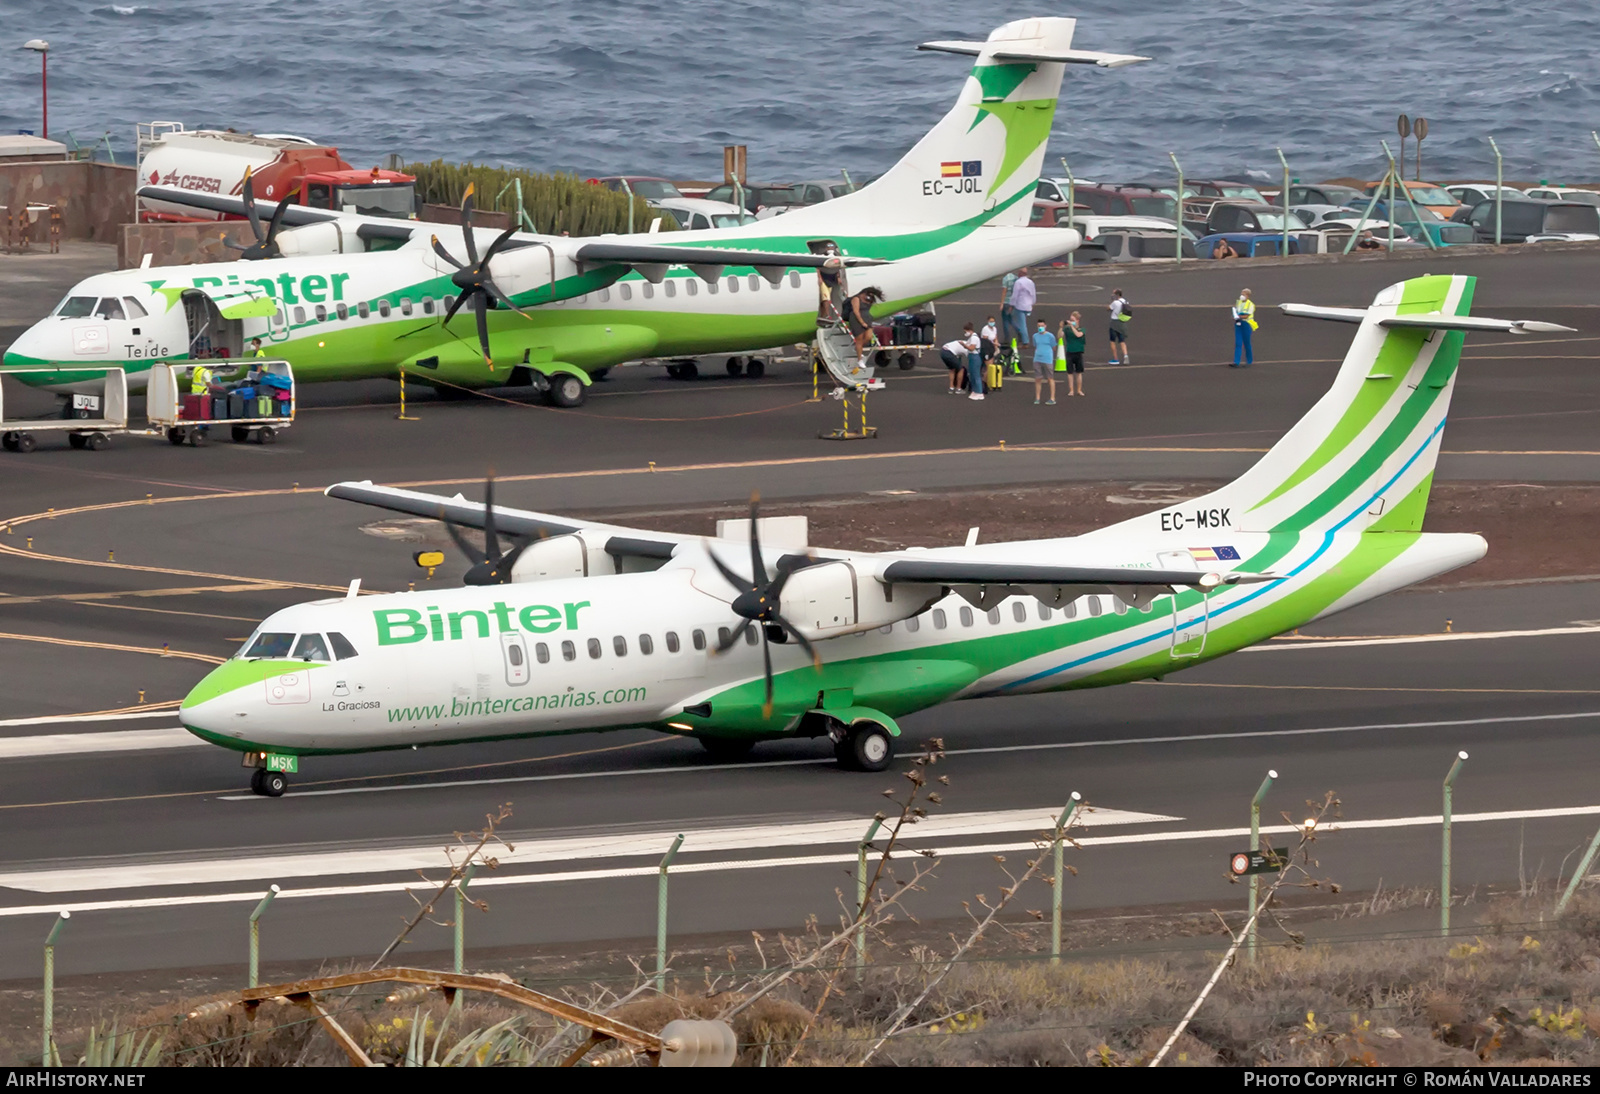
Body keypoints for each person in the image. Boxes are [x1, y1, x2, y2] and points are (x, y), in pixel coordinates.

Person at [1006, 267, 1037, 371]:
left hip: (1020, 305)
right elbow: (1033, 294)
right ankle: (1023, 338)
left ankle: (1025, 341)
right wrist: (1032, 303)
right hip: (1028, 305)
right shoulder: (1030, 282)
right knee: (1023, 323)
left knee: (1020, 323)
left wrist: (1011, 305)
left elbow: (1015, 295)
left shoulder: (1018, 282)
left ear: (1020, 273)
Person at [844, 286, 885, 361]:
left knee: (868, 337)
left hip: (867, 319)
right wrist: (862, 322)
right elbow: (856, 311)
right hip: (857, 319)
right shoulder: (856, 298)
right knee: (859, 339)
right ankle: (859, 359)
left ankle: (858, 349)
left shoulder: (869, 300)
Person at [1029, 319, 1057, 405]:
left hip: (1047, 359)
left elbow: (1054, 347)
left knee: (1050, 378)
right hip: (1037, 359)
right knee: (1038, 378)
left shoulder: (1050, 336)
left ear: (1045, 326)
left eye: (1042, 326)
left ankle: (1052, 398)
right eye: (1039, 326)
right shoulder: (1035, 336)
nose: (1040, 328)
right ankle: (1037, 398)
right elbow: (1035, 345)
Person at [1061, 312, 1086, 396]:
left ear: (1077, 320)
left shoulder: (1082, 329)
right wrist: (1061, 327)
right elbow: (1060, 336)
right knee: (1070, 372)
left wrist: (1071, 326)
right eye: (1070, 320)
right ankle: (1071, 390)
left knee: (1079, 372)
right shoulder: (1066, 329)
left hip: (1078, 352)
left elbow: (1078, 335)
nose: (1071, 321)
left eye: (1073, 320)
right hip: (1069, 352)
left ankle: (1079, 390)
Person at [1231, 287, 1257, 368]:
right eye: (1241, 294)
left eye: (1243, 294)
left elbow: (1246, 316)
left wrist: (1238, 316)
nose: (1241, 296)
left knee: (1246, 343)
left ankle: (1249, 361)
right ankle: (1236, 362)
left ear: (1248, 296)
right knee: (1238, 343)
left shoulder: (1250, 305)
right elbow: (1236, 310)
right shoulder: (1238, 302)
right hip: (1239, 323)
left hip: (1246, 324)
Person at [940, 328, 971, 393]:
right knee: (961, 369)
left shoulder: (963, 343)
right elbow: (971, 360)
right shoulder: (968, 348)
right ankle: (958, 389)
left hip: (943, 351)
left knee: (952, 369)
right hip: (949, 353)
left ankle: (951, 388)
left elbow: (958, 358)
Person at [1108, 288, 1131, 365]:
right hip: (1122, 322)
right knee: (1122, 341)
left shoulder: (1115, 302)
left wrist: (1112, 301)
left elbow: (1108, 308)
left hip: (1114, 323)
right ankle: (1125, 355)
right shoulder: (1125, 301)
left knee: (1112, 341)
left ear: (1117, 295)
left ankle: (1115, 359)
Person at [963, 322, 985, 400]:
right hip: (971, 357)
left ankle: (979, 392)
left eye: (965, 331)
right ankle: (975, 391)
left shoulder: (974, 338)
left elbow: (972, 348)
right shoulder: (971, 337)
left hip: (975, 357)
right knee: (972, 375)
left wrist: (964, 345)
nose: (965, 333)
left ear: (969, 330)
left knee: (976, 375)